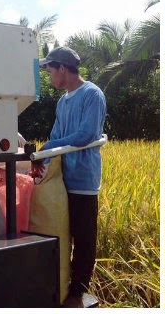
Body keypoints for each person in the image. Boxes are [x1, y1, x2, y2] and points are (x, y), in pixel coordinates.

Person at [37, 46, 106, 308]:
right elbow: (56, 137)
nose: (50, 77)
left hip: (84, 181)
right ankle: (61, 285)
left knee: (84, 238)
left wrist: (48, 147)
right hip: (62, 180)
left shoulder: (92, 95)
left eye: (51, 71)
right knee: (62, 234)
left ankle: (77, 293)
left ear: (62, 69)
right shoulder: (62, 102)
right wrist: (42, 155)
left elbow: (86, 135)